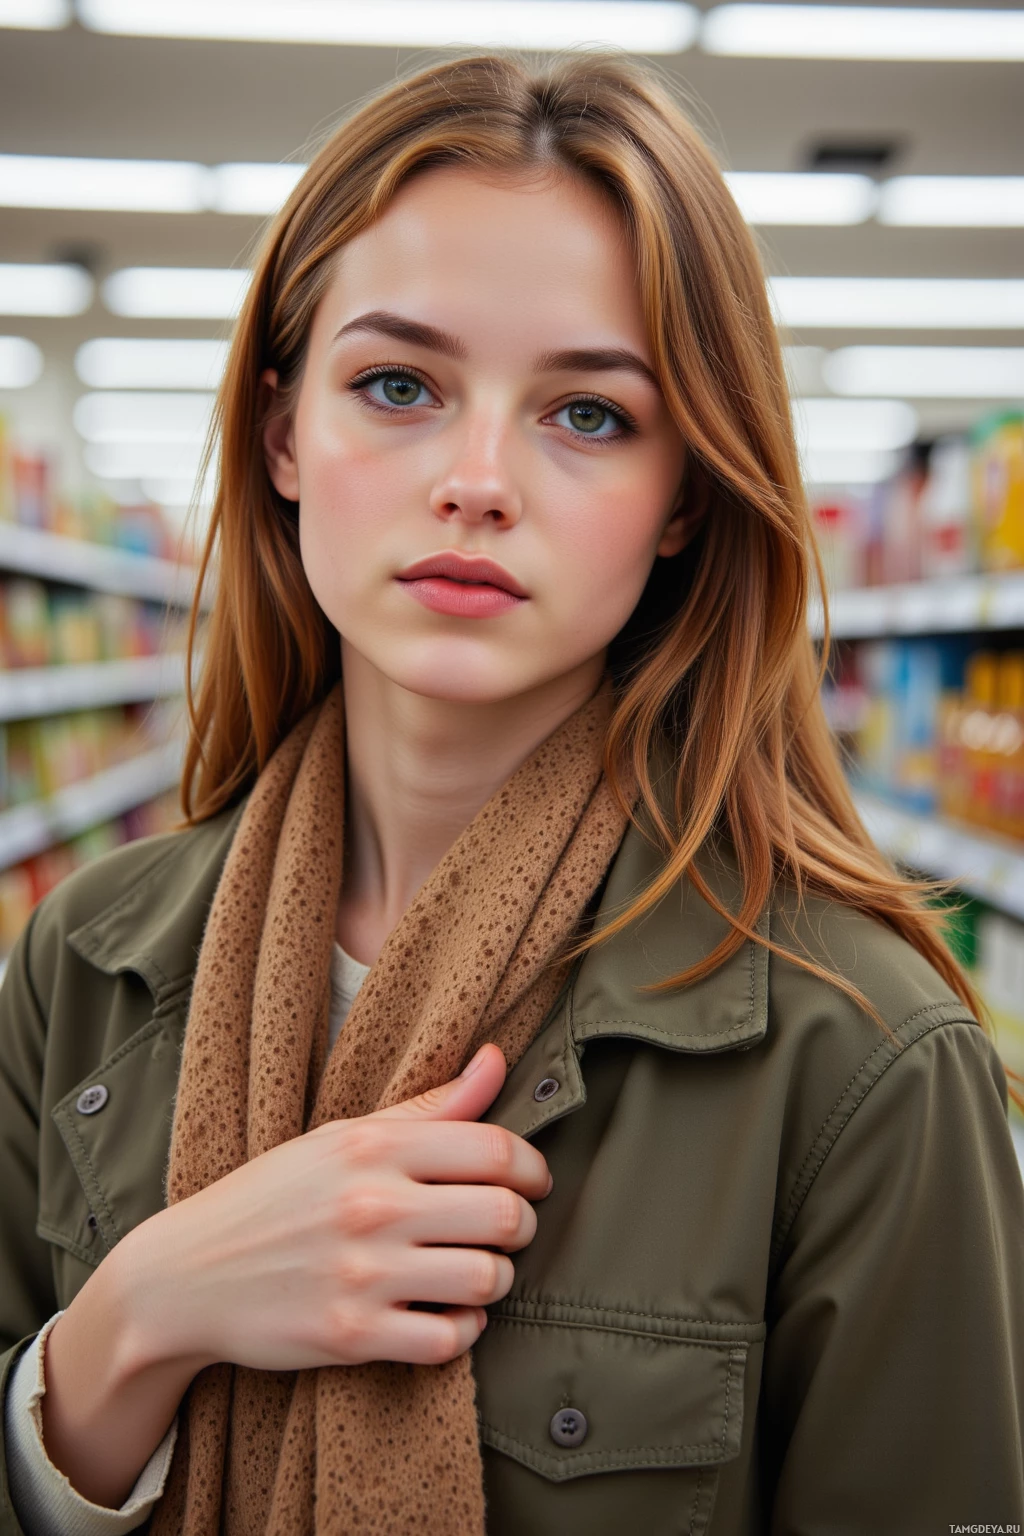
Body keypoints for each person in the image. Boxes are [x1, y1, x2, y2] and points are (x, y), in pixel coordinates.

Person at [1, 51, 1022, 1536]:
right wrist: (137, 1317)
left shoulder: (861, 1052)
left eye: (589, 414)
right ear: (285, 433)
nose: (477, 479)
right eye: (399, 385)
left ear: (685, 497)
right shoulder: (79, 962)